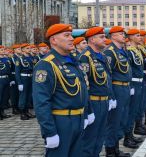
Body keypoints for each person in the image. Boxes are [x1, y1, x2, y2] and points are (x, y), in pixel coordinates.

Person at [32, 24, 89, 157]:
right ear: (53, 40)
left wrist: (85, 114)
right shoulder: (46, 64)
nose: (71, 39)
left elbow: (83, 90)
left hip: (78, 119)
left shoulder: (74, 61)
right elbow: (41, 102)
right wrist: (49, 132)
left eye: (71, 35)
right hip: (61, 122)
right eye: (66, 35)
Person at [80, 27, 116, 157]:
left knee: (100, 137)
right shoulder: (85, 57)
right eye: (101, 37)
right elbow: (84, 87)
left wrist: (111, 97)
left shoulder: (103, 56)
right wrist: (87, 110)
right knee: (89, 139)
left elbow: (108, 79)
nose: (105, 39)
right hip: (93, 102)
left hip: (104, 101)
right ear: (92, 39)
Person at [103, 26, 134, 156]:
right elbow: (107, 75)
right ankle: (110, 150)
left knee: (121, 119)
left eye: (123, 34)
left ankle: (115, 148)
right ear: (113, 36)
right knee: (114, 121)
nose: (123, 36)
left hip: (124, 87)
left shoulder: (121, 51)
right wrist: (111, 96)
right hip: (117, 88)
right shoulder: (110, 51)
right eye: (121, 34)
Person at [15, 43, 35, 120]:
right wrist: (19, 83)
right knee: (23, 96)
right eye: (27, 48)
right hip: (23, 79)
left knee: (29, 96)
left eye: (29, 48)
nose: (29, 49)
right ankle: (22, 113)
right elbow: (17, 72)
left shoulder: (30, 58)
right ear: (23, 49)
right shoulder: (19, 59)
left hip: (30, 78)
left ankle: (27, 111)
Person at [0, 45, 12, 119]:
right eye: (1, 50)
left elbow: (9, 71)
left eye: (3, 50)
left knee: (5, 96)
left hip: (6, 79)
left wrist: (10, 80)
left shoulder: (6, 59)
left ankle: (2, 112)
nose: (3, 51)